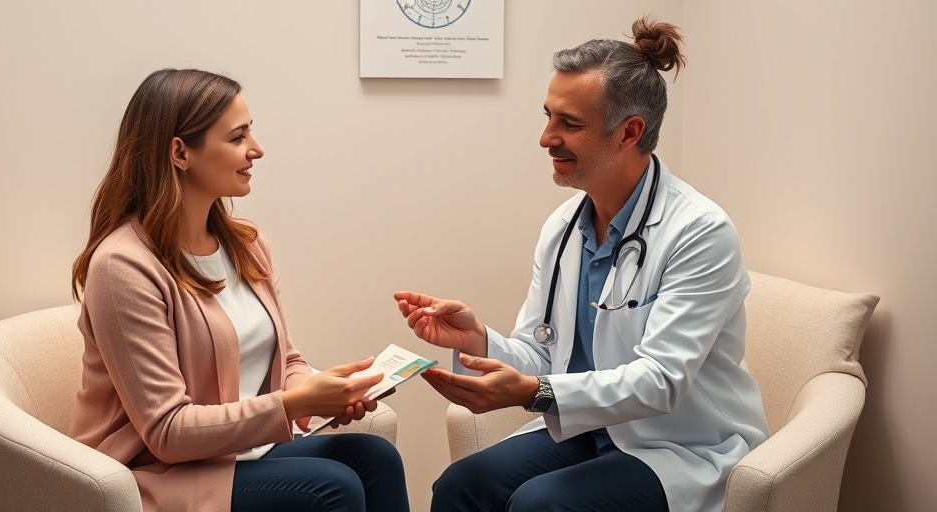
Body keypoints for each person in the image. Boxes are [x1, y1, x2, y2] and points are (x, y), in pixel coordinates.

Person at [395, 17, 769, 512]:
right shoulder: (564, 226)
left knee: (541, 504)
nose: (546, 138)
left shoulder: (699, 232)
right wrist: (479, 340)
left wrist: (534, 392)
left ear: (629, 132)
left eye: (568, 123)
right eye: (548, 116)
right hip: (592, 428)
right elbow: (542, 353)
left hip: (678, 444)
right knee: (461, 484)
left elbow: (661, 381)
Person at [70, 68, 410, 512]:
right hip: (157, 471)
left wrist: (319, 398)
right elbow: (167, 431)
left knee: (376, 457)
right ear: (180, 152)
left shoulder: (246, 244)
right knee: (332, 487)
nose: (257, 149)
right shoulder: (123, 268)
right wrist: (290, 404)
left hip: (239, 453)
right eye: (237, 137)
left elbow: (286, 358)